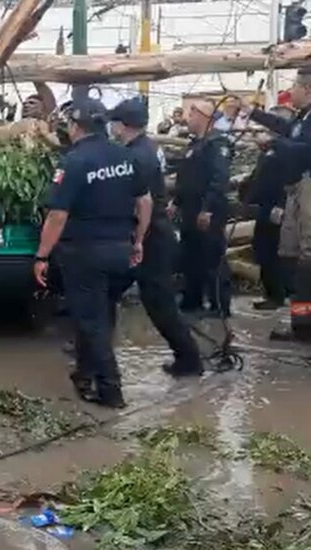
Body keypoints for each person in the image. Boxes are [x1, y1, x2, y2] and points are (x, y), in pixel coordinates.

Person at [34, 99, 152, 408]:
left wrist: (42, 256)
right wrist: (138, 240)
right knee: (102, 314)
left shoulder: (73, 162)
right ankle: (84, 374)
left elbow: (57, 215)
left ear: (75, 127)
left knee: (92, 321)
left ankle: (111, 391)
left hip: (86, 254)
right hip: (121, 251)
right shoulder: (126, 156)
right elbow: (145, 201)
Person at [109, 99, 204, 378]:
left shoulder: (136, 155)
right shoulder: (147, 147)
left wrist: (137, 238)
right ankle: (93, 346)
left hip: (150, 236)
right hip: (154, 233)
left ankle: (189, 358)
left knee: (159, 304)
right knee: (116, 290)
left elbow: (142, 202)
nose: (112, 127)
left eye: (114, 122)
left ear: (123, 125)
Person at [173, 101, 233, 318]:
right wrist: (176, 202)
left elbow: (219, 178)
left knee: (212, 257)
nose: (188, 117)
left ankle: (219, 305)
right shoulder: (196, 144)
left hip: (207, 210)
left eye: (192, 113)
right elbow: (187, 177)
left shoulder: (217, 143)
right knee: (191, 257)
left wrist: (208, 208)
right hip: (189, 209)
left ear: (203, 116)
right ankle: (192, 299)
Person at [245, 105, 297, 311]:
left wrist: (281, 206)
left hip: (277, 207)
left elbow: (287, 181)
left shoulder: (286, 151)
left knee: (274, 251)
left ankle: (279, 294)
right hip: (264, 206)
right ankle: (272, 292)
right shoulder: (268, 151)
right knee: (262, 248)